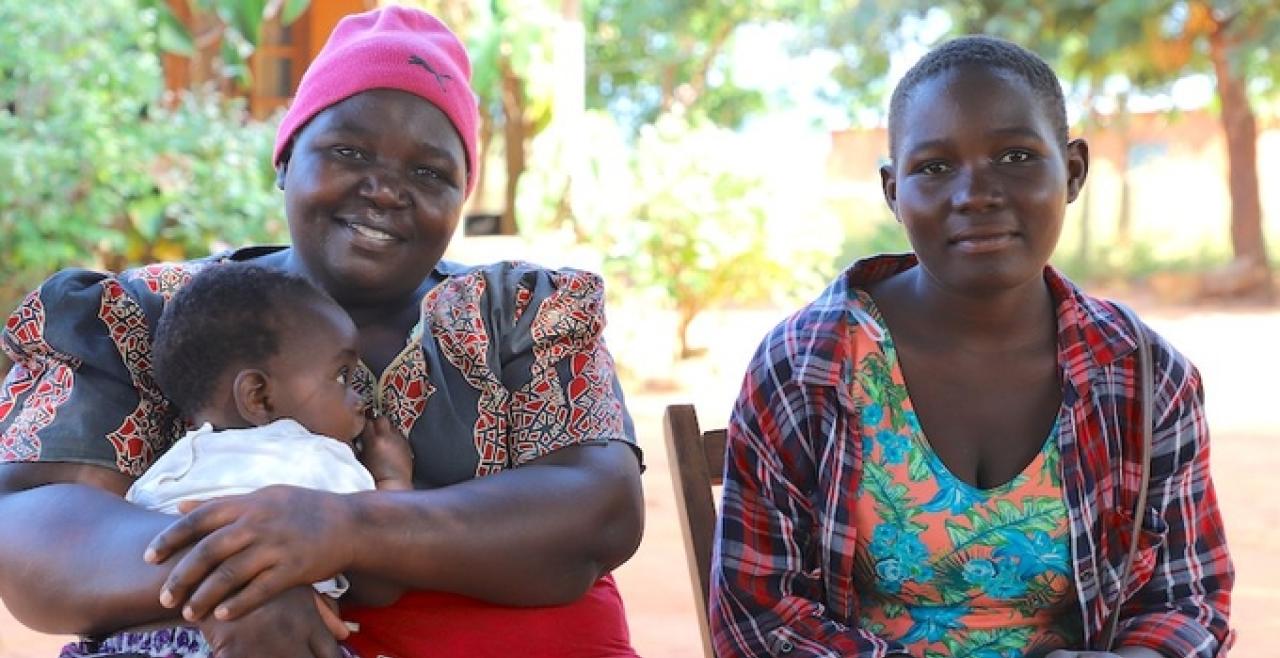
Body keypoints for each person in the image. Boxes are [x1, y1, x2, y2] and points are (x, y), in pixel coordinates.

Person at [0, 6, 644, 658]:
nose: (387, 190)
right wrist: (244, 581)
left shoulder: (525, 313)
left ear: (461, 196)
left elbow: (600, 508)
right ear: (285, 159)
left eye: (429, 172)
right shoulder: (145, 315)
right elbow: (31, 523)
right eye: (348, 150)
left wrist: (343, 528)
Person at [709, 36, 1233, 658]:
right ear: (892, 193)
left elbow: (1189, 598)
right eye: (933, 167)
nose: (975, 194)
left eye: (1015, 155)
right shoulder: (809, 366)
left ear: (1072, 172)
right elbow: (761, 621)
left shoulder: (1142, 375)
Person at [63, 263, 414, 657]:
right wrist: (393, 479)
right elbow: (382, 586)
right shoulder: (317, 459)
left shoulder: (167, 469)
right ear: (259, 397)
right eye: (341, 377)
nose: (358, 398)